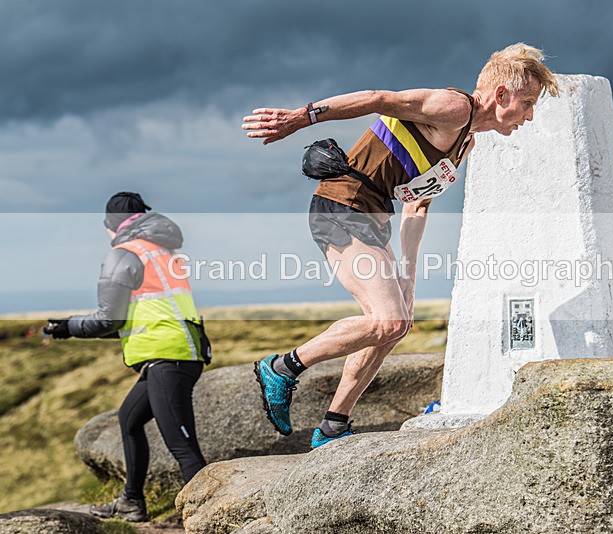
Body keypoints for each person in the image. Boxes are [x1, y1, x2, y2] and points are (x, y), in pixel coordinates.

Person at [242, 43, 559, 448]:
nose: (529, 116)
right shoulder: (452, 107)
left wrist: (408, 277)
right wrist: (302, 117)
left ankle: (334, 425)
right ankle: (282, 367)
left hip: (373, 217)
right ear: (500, 96)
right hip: (343, 205)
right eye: (528, 103)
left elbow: (416, 206)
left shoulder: (466, 143)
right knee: (387, 320)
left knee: (397, 325)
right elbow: (379, 99)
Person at [44, 192, 208, 522]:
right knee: (129, 420)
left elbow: (109, 318)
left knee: (182, 446)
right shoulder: (162, 250)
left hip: (167, 355)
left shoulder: (124, 253)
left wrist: (67, 327)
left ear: (112, 226)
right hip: (175, 351)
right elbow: (127, 315)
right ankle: (131, 501)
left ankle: (210, 516)